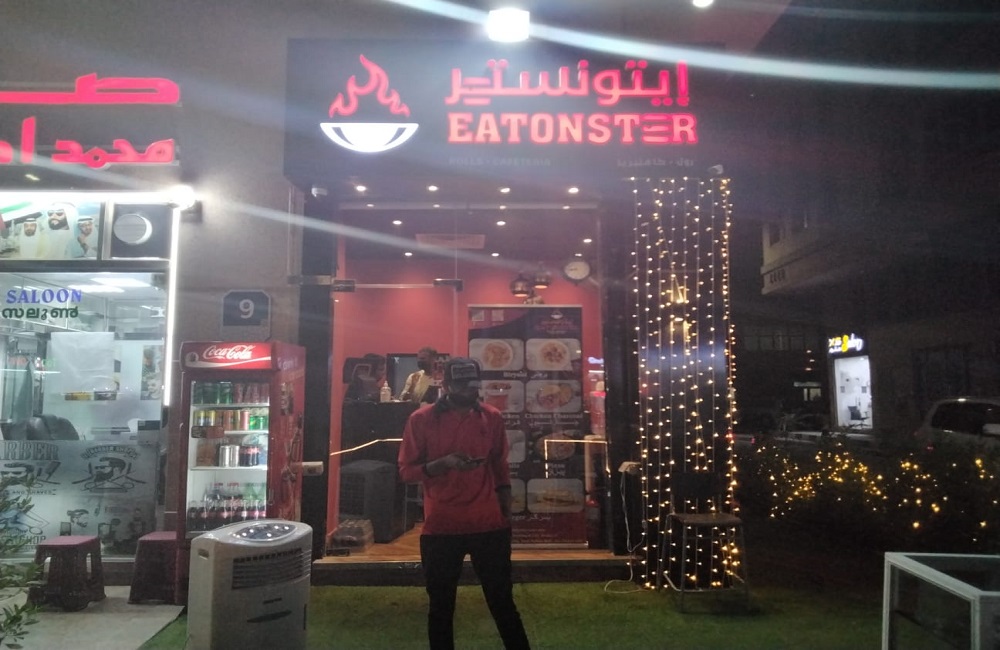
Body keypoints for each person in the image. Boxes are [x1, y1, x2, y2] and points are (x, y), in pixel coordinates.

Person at [398, 357, 530, 650]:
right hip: (441, 527)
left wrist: (506, 511)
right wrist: (443, 463)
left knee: (502, 602)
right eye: (461, 385)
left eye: (473, 384)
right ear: (445, 385)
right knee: (441, 607)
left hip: (489, 524)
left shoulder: (492, 417)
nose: (469, 390)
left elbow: (500, 466)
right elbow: (406, 472)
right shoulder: (421, 419)